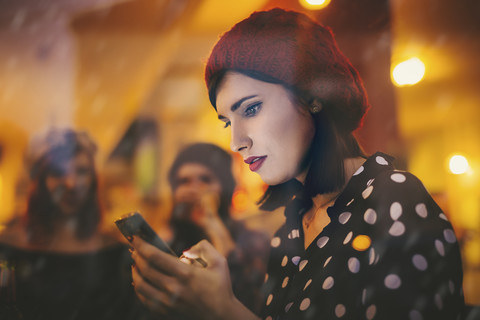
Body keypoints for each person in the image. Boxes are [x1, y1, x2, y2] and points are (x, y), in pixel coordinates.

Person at [130, 8, 465, 320]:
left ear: (312, 95)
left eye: (251, 109)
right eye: (227, 122)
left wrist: (223, 309)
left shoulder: (393, 199)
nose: (236, 141)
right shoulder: (291, 229)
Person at [0, 127, 146, 319]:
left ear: (93, 180)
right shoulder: (9, 248)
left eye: (82, 171)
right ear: (41, 180)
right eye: (58, 172)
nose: (71, 183)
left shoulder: (115, 253)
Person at [165, 142, 269, 315]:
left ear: (225, 186)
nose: (195, 189)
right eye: (185, 181)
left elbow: (250, 301)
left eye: (205, 180)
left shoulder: (253, 241)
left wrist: (212, 223)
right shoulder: (168, 243)